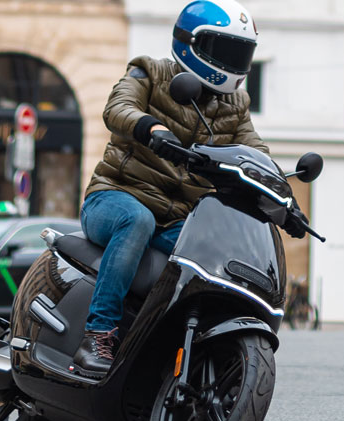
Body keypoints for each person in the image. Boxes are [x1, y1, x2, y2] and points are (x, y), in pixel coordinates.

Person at [72, 0, 274, 378]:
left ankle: (179, 345)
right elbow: (118, 108)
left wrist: (277, 187)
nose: (232, 61)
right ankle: (97, 334)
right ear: (192, 43)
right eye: (224, 50)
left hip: (177, 218)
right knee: (137, 220)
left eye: (239, 53)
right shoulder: (149, 72)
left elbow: (254, 149)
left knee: (219, 247)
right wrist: (151, 129)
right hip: (115, 197)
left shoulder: (236, 102)